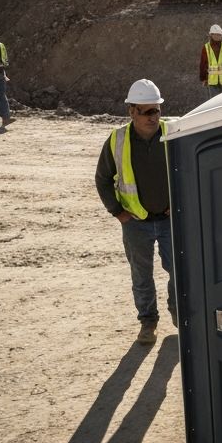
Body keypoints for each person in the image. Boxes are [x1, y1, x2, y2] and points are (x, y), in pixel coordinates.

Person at [94, 79, 173, 346]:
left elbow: (188, 172)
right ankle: (148, 322)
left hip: (169, 221)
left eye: (157, 110)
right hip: (135, 223)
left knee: (180, 271)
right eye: (147, 111)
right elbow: (102, 178)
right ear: (131, 111)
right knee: (142, 275)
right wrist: (118, 213)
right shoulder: (117, 140)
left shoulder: (173, 135)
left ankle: (180, 316)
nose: (154, 117)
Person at [199, 23, 222, 99]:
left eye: (219, 35)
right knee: (214, 103)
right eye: (216, 35)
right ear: (211, 35)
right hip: (212, 81)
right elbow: (203, 64)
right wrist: (204, 78)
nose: (218, 36)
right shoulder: (206, 47)